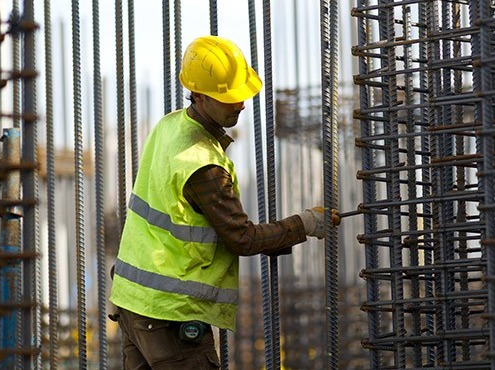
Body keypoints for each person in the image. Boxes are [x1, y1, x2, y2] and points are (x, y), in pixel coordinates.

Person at [109, 35, 340, 369]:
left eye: (241, 95)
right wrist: (305, 224)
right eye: (229, 98)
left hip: (133, 303)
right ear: (200, 96)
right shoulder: (203, 166)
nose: (241, 104)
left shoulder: (168, 126)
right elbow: (241, 238)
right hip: (170, 315)